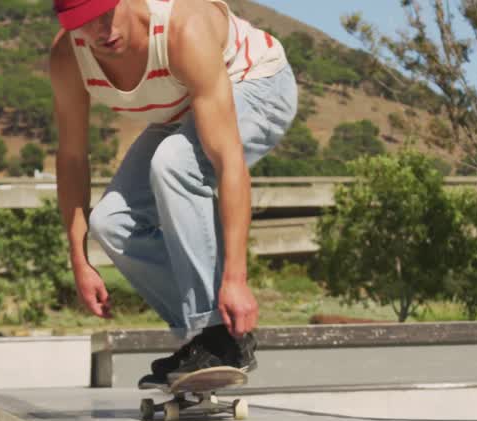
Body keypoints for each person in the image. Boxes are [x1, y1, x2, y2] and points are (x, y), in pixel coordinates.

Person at [49, 0, 297, 387]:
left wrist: (235, 278)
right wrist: (79, 260)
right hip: (184, 108)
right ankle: (208, 336)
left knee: (174, 163)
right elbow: (71, 157)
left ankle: (219, 335)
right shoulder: (68, 57)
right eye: (84, 23)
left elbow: (228, 160)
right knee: (111, 222)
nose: (101, 31)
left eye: (105, 14)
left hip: (257, 84)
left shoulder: (183, 28)